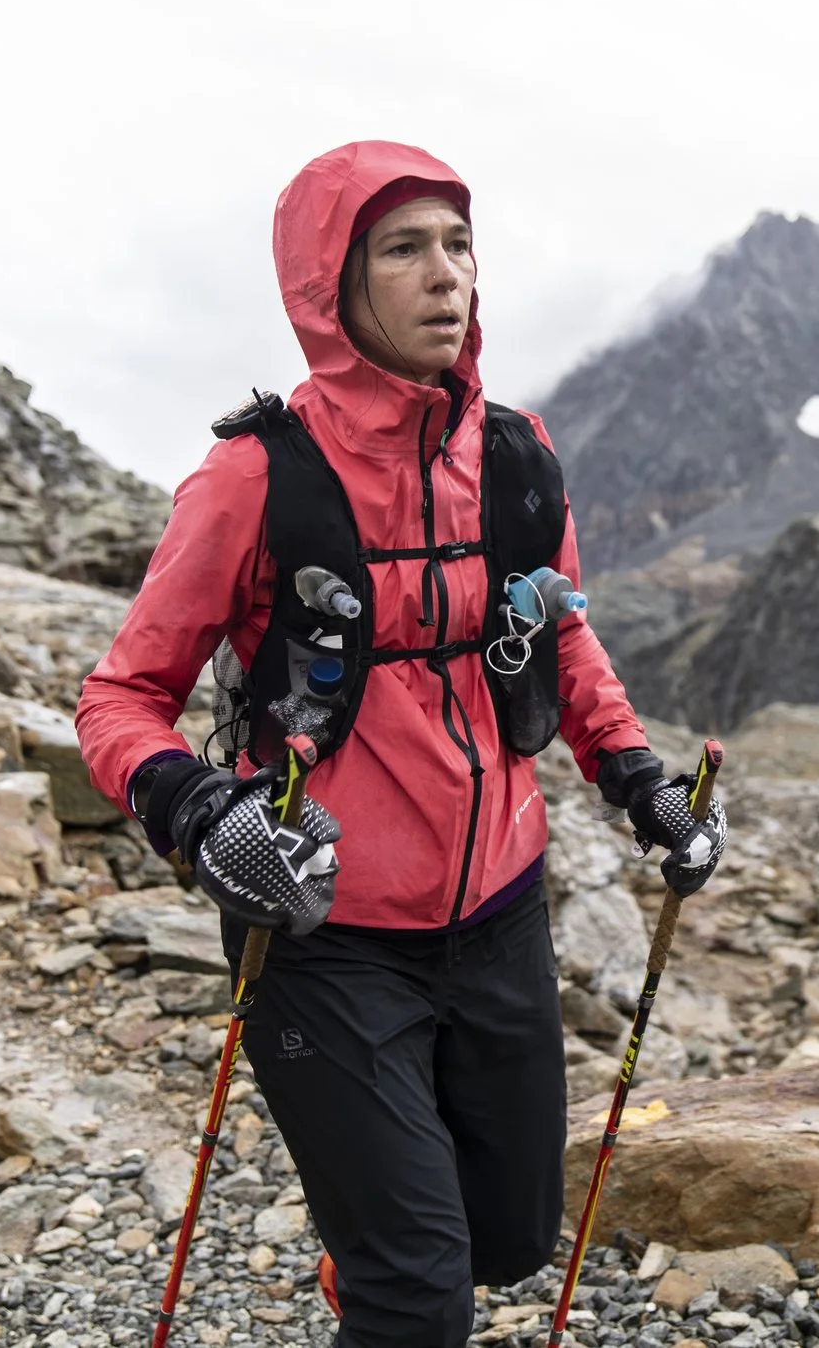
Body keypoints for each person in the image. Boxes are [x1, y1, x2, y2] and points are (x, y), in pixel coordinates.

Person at [75, 141, 725, 1347]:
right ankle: (375, 1263)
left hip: (500, 909)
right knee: (418, 1292)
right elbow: (119, 697)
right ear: (333, 283)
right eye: (404, 247)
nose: (447, 276)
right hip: (324, 932)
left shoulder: (519, 459)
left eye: (459, 243)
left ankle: (368, 1247)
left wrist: (639, 777)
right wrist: (204, 811)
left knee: (512, 1236)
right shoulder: (253, 477)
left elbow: (563, 641)